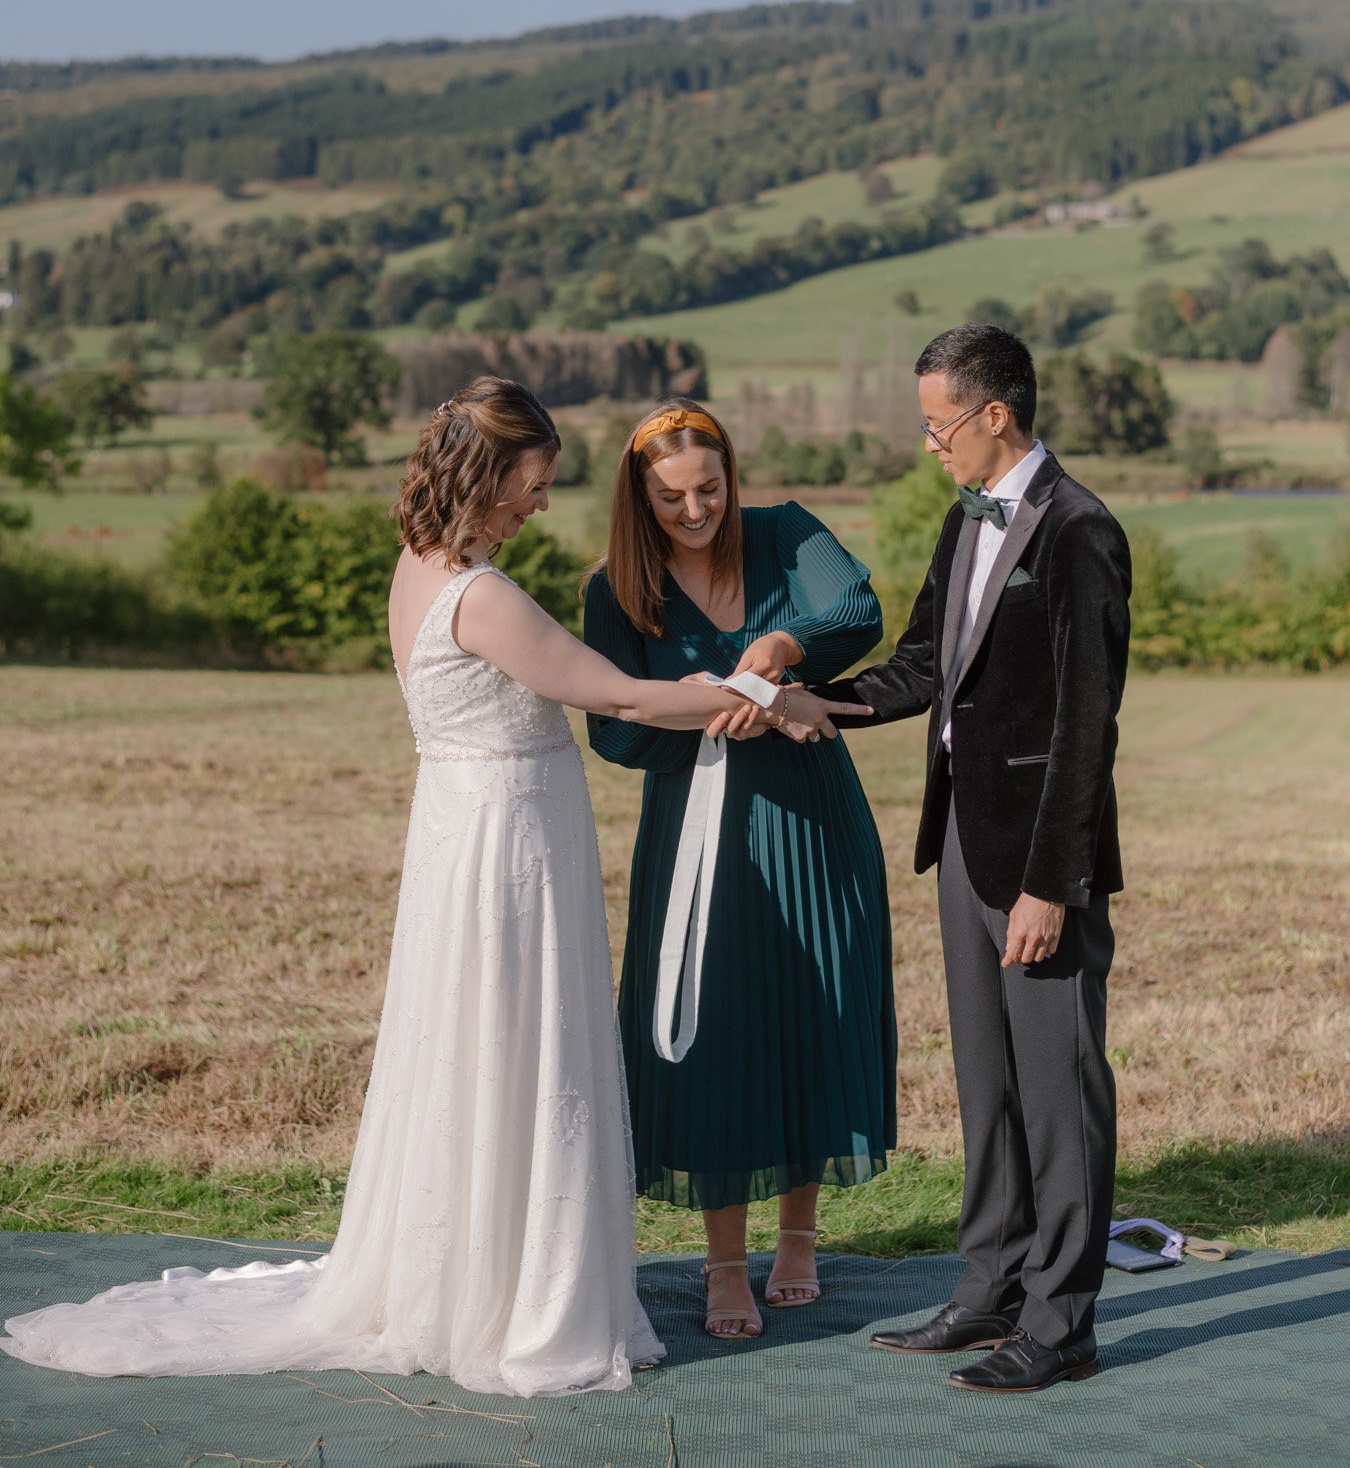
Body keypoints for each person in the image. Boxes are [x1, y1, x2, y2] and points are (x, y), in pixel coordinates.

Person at [2, 377, 863, 1394]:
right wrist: (777, 695)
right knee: (518, 1052)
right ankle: (518, 1298)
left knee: (476, 1056)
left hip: (468, 839)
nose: (541, 504)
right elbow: (624, 694)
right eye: (533, 484)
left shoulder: (418, 569)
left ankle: (473, 1270)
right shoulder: (484, 594)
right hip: (509, 852)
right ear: (488, 477)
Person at [814, 325, 1130, 1394]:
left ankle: (1063, 1324)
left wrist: (1054, 880)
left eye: (937, 425)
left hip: (1040, 860)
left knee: (1060, 1091)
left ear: (996, 415)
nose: (929, 446)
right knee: (986, 1084)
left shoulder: (1082, 532)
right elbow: (920, 668)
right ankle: (989, 1288)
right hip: (959, 842)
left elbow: (1089, 728)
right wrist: (821, 704)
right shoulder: (969, 516)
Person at [583, 399, 896, 1342]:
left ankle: (797, 1240)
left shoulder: (787, 534)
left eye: (709, 488)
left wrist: (778, 652)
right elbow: (610, 726)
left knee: (814, 1009)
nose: (694, 510)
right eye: (672, 495)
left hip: (811, 820)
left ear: (731, 476)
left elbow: (859, 611)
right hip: (696, 836)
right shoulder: (616, 588)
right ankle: (726, 1262)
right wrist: (733, 702)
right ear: (639, 496)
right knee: (716, 1027)